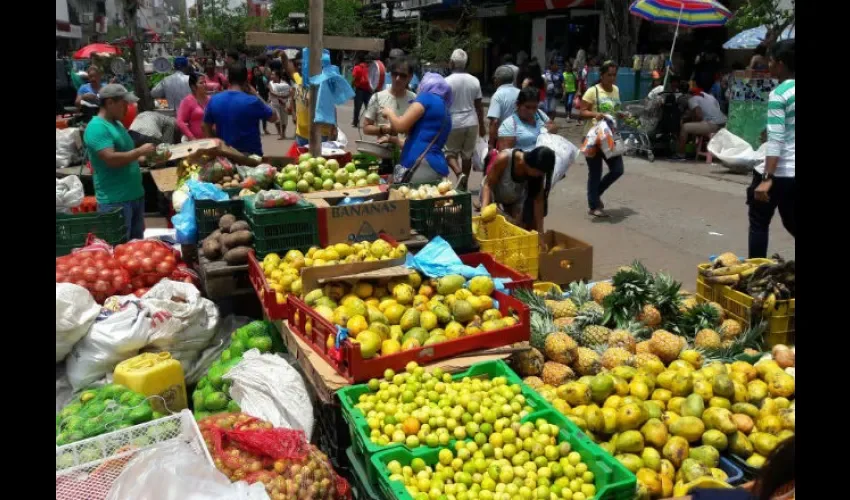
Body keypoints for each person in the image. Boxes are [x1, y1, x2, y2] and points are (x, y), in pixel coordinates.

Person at [83, 84, 155, 241]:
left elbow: (129, 157)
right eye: (124, 103)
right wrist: (140, 151)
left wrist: (148, 158)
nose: (128, 108)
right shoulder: (97, 127)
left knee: (136, 249)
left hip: (135, 196)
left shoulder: (118, 125)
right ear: (109, 103)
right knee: (119, 250)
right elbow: (111, 159)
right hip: (115, 202)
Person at [748, 40, 795, 259]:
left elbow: (776, 140)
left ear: (782, 64)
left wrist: (767, 177)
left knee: (759, 223)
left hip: (779, 171)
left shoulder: (780, 93)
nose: (770, 66)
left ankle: (755, 272)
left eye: (772, 62)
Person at [381, 72, 453, 184]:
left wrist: (389, 113)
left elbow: (401, 126)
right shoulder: (445, 110)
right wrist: (392, 139)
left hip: (419, 167)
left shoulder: (426, 98)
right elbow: (419, 141)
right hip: (437, 167)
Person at [480, 146, 555, 242]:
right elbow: (488, 185)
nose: (540, 175)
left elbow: (538, 201)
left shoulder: (538, 172)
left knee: (515, 229)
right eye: (539, 172)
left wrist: (540, 232)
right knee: (491, 226)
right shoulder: (505, 159)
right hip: (493, 194)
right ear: (531, 164)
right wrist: (484, 209)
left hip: (514, 198)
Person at [579, 60, 625, 218]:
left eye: (614, 75)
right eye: (609, 75)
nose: (612, 78)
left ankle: (595, 194)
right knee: (595, 171)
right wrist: (594, 114)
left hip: (609, 137)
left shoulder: (616, 90)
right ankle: (593, 205)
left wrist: (622, 114)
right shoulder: (593, 91)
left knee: (618, 169)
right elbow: (582, 111)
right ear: (602, 75)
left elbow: (616, 109)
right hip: (593, 138)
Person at [203, 63, 277, 156]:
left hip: (226, 156)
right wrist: (256, 95)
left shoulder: (214, 100)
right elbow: (274, 117)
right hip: (250, 158)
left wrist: (217, 145)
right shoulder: (252, 101)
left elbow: (205, 125)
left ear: (228, 79)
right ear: (246, 80)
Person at [445, 49, 485, 189]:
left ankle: (458, 173)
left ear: (452, 63)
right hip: (471, 122)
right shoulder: (475, 81)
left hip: (453, 122)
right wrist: (482, 126)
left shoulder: (446, 82)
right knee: (467, 156)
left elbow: (443, 105)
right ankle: (464, 184)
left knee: (449, 153)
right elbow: (479, 106)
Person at [362, 56, 417, 151]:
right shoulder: (377, 97)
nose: (398, 78)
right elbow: (366, 128)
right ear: (390, 74)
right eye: (395, 74)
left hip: (406, 155)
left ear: (410, 77)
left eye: (403, 75)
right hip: (382, 154)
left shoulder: (415, 100)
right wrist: (383, 129)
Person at [290, 51, 336, 146]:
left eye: (302, 64)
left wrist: (333, 127)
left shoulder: (322, 83)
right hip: (301, 134)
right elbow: (290, 69)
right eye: (297, 64)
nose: (300, 67)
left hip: (319, 134)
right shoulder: (299, 80)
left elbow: (331, 107)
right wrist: (294, 113)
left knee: (317, 160)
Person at [672, 81, 727, 160]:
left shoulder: (692, 99)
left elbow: (699, 114)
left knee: (685, 127)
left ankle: (680, 154)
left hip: (713, 124)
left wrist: (693, 120)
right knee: (696, 125)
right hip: (725, 123)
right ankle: (694, 150)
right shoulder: (710, 97)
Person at [497, 87, 557, 152]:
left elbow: (553, 126)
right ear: (518, 104)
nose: (531, 111)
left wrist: (552, 129)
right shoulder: (509, 125)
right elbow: (505, 157)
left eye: (534, 107)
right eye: (527, 107)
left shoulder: (540, 114)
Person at [486, 66, 521, 150]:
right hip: (520, 137)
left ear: (497, 80)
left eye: (494, 78)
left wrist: (491, 145)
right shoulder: (520, 92)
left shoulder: (498, 95)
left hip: (504, 139)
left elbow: (494, 122)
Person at [177, 73, 209, 141]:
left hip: (210, 140)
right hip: (195, 141)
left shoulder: (210, 99)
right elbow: (180, 122)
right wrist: (192, 138)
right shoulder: (187, 101)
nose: (205, 85)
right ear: (193, 87)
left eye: (205, 82)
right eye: (201, 83)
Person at [267, 70, 292, 140]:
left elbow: (290, 92)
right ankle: (280, 133)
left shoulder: (284, 83)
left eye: (273, 74)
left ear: (277, 76)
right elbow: (271, 93)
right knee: (277, 119)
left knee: (284, 120)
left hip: (283, 104)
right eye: (271, 74)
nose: (271, 76)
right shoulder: (270, 83)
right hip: (274, 104)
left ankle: (283, 134)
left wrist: (283, 97)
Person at [351, 54, 372, 127]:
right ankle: (370, 123)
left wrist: (352, 86)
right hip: (369, 90)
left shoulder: (357, 67)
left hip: (359, 90)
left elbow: (354, 78)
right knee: (369, 108)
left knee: (357, 108)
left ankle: (355, 122)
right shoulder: (370, 68)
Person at [251, 66, 271, 135]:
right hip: (254, 97)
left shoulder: (263, 78)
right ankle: (257, 130)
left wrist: (268, 95)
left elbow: (267, 86)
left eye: (257, 71)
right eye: (254, 71)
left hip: (263, 97)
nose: (256, 72)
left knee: (263, 113)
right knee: (255, 114)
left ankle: (265, 128)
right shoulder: (252, 79)